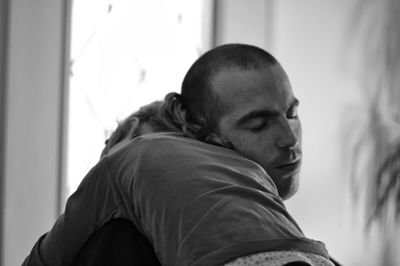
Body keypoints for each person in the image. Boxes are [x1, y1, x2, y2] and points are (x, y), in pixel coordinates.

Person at [23, 44, 338, 266]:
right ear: (207, 136)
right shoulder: (117, 234)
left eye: (292, 113)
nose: (288, 138)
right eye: (258, 125)